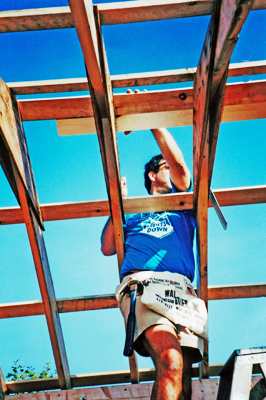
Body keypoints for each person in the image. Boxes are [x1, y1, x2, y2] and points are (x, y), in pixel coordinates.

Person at [101, 125, 206, 400]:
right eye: (164, 166)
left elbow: (182, 167)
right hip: (145, 288)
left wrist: (153, 120)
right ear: (152, 175)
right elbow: (107, 247)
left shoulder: (182, 205)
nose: (171, 168)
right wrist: (118, 205)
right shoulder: (133, 213)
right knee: (171, 361)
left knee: (181, 380)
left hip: (181, 293)